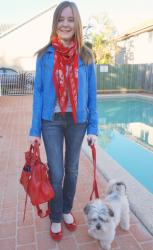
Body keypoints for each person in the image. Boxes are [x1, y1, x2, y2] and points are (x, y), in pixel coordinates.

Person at [29, 1, 98, 241]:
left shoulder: (86, 56)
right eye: (61, 19)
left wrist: (94, 127)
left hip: (78, 121)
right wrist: (34, 130)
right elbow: (38, 92)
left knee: (73, 169)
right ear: (55, 23)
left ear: (76, 23)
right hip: (52, 121)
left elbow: (91, 95)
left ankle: (66, 209)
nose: (65, 24)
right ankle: (56, 216)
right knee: (56, 173)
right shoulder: (44, 56)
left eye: (70, 19)